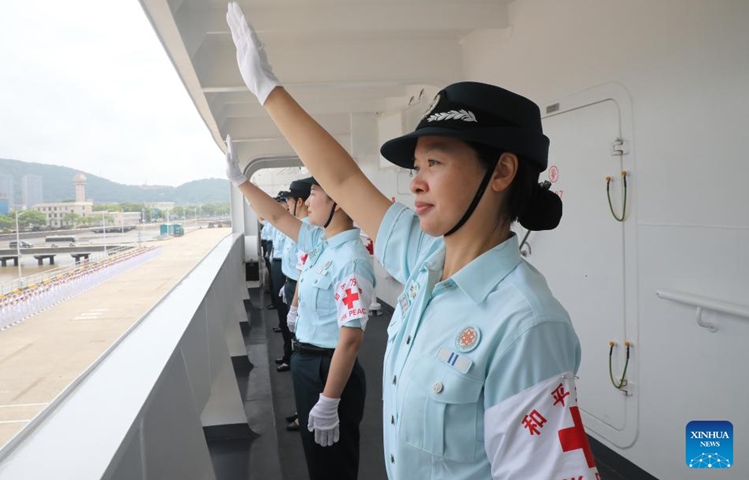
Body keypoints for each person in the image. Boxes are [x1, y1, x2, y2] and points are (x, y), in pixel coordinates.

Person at [226, 4, 600, 479]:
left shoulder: (528, 324)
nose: (416, 183)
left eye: (435, 163)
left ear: (501, 171)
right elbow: (341, 178)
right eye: (417, 167)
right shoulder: (426, 258)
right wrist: (268, 91)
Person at [223, 134, 376, 480]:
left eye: (315, 195)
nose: (307, 203)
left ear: (337, 202)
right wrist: (240, 181)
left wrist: (330, 399)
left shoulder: (350, 261)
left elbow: (350, 339)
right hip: (307, 363)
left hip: (329, 369)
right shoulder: (322, 243)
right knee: (317, 459)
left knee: (332, 464)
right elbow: (277, 217)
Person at [274, 179, 313, 372]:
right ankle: (292, 357)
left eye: (289, 201)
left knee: (297, 331)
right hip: (290, 284)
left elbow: (304, 270)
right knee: (292, 330)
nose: (287, 206)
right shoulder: (298, 226)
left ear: (299, 202)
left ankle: (296, 362)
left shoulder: (304, 230)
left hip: (298, 288)